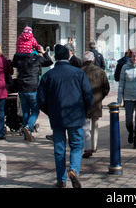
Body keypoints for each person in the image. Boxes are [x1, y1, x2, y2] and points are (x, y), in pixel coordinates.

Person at [37, 44, 93, 188]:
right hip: (75, 114)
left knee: (59, 147)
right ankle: (74, 169)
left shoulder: (48, 76)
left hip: (57, 116)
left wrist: (51, 111)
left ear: (55, 58)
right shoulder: (78, 73)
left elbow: (41, 100)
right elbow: (88, 95)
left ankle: (61, 179)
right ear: (68, 56)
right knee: (76, 145)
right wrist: (84, 110)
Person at [12, 44, 53, 141]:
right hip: (33, 88)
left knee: (25, 111)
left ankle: (27, 135)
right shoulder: (37, 58)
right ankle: (28, 127)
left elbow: (13, 63)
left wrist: (17, 52)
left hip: (22, 88)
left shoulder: (20, 59)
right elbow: (49, 62)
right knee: (35, 111)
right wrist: (43, 52)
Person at [81, 51, 110, 158]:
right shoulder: (100, 71)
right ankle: (94, 146)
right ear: (93, 59)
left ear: (84, 60)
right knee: (95, 125)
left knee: (86, 126)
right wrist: (101, 97)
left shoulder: (80, 71)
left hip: (84, 103)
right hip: (97, 102)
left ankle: (87, 148)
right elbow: (106, 87)